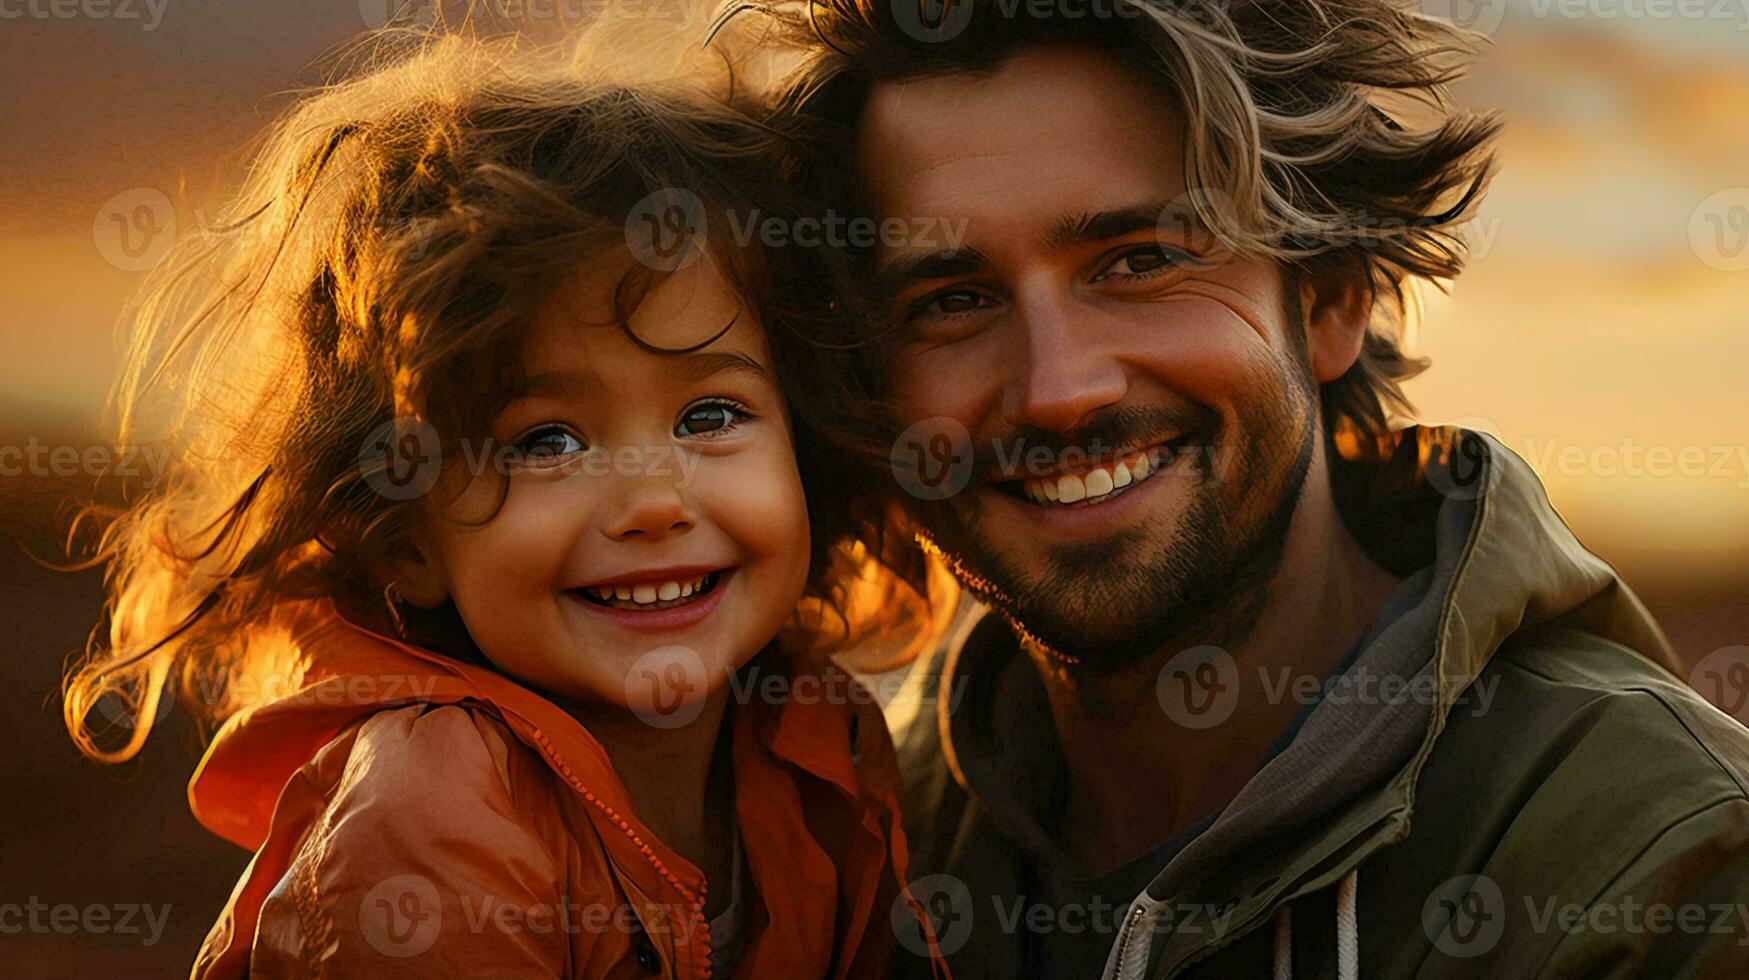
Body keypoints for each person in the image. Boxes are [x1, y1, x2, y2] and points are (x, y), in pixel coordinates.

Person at [750, 0, 1749, 976]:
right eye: (953, 300)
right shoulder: (846, 853)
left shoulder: (1664, 862)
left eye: (1138, 261)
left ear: (1330, 297)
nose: (1057, 390)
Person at [60, 31, 944, 980]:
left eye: (711, 414)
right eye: (546, 442)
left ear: (806, 443)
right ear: (404, 541)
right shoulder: (430, 814)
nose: (652, 501)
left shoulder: (818, 744)